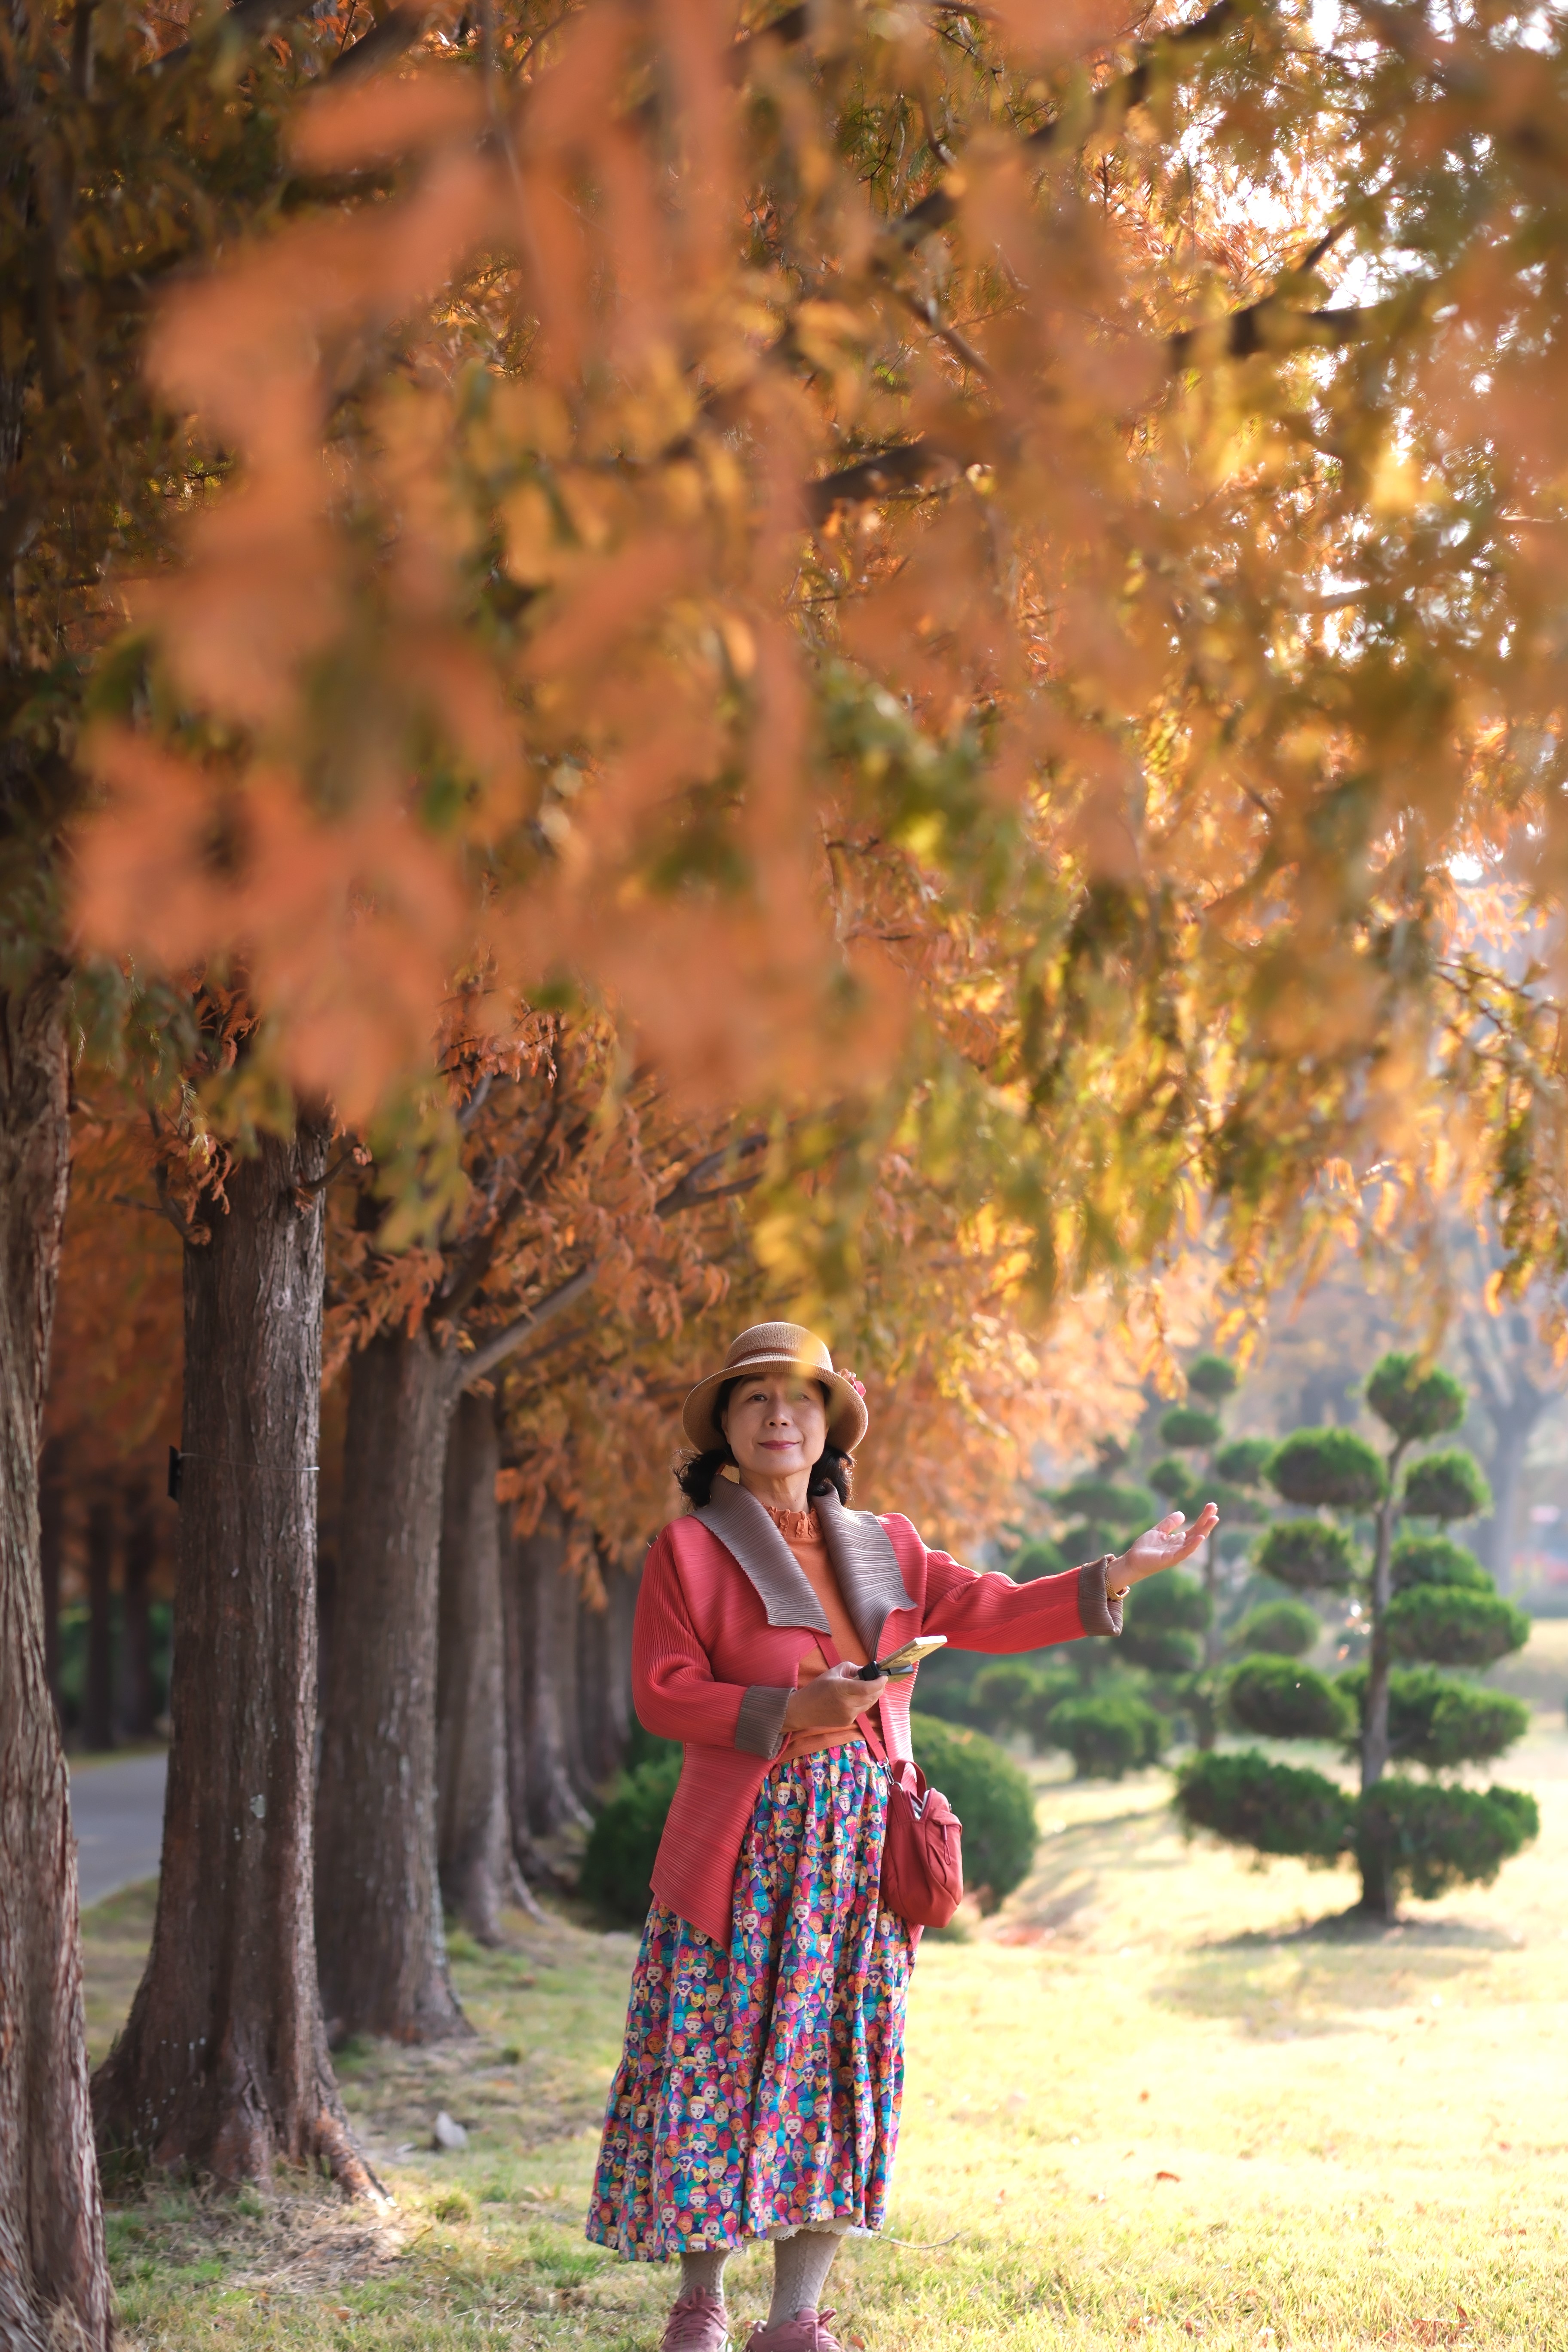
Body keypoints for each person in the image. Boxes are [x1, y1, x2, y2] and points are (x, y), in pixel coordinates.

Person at [586, 1322, 1218, 2352]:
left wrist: (1116, 1574)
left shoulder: (888, 1544)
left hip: (863, 1852)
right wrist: (791, 1709)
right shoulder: (689, 1550)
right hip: (743, 1847)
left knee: (840, 2064)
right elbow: (664, 1693)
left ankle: (796, 2318)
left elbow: (992, 1609)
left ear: (830, 1421)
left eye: (801, 1396)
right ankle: (701, 2303)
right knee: (712, 2056)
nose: (780, 1416)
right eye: (755, 1399)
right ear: (727, 1429)